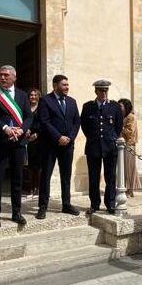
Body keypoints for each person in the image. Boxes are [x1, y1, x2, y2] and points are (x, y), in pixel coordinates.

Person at [0, 65, 33, 228]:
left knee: (17, 178)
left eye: (6, 75)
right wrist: (5, 128)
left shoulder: (22, 95)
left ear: (14, 76)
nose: (2, 77)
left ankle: (16, 212)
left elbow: (28, 116)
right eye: (0, 75)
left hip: (18, 141)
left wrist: (21, 129)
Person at [36, 74, 81, 219]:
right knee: (46, 176)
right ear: (55, 86)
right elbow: (45, 122)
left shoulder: (72, 102)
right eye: (64, 85)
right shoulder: (45, 101)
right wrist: (58, 137)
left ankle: (66, 204)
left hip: (67, 145)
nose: (67, 87)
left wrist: (70, 138)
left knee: (66, 176)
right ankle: (43, 207)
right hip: (50, 145)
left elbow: (76, 122)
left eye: (67, 85)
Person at [80, 79, 124, 214]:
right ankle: (94, 204)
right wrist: (93, 138)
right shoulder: (88, 107)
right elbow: (84, 126)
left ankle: (110, 203)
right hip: (93, 147)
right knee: (93, 176)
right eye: (101, 90)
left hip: (110, 147)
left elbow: (118, 126)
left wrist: (110, 138)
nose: (104, 93)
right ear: (96, 91)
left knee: (110, 177)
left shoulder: (114, 107)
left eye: (106, 90)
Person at [119, 98, 141, 197]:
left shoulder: (131, 117)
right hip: (121, 145)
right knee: (123, 167)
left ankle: (130, 189)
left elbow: (130, 132)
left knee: (129, 167)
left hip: (128, 145)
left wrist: (119, 127)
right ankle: (126, 187)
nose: (119, 108)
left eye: (121, 106)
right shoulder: (122, 116)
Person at [24, 88, 43, 198]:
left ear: (39, 96)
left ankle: (39, 189)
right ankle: (31, 189)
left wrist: (37, 134)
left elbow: (43, 122)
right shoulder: (26, 108)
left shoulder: (41, 108)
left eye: (35, 95)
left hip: (39, 139)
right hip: (28, 138)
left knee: (39, 166)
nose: (33, 97)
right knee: (30, 166)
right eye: (31, 95)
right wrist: (26, 130)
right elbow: (23, 120)